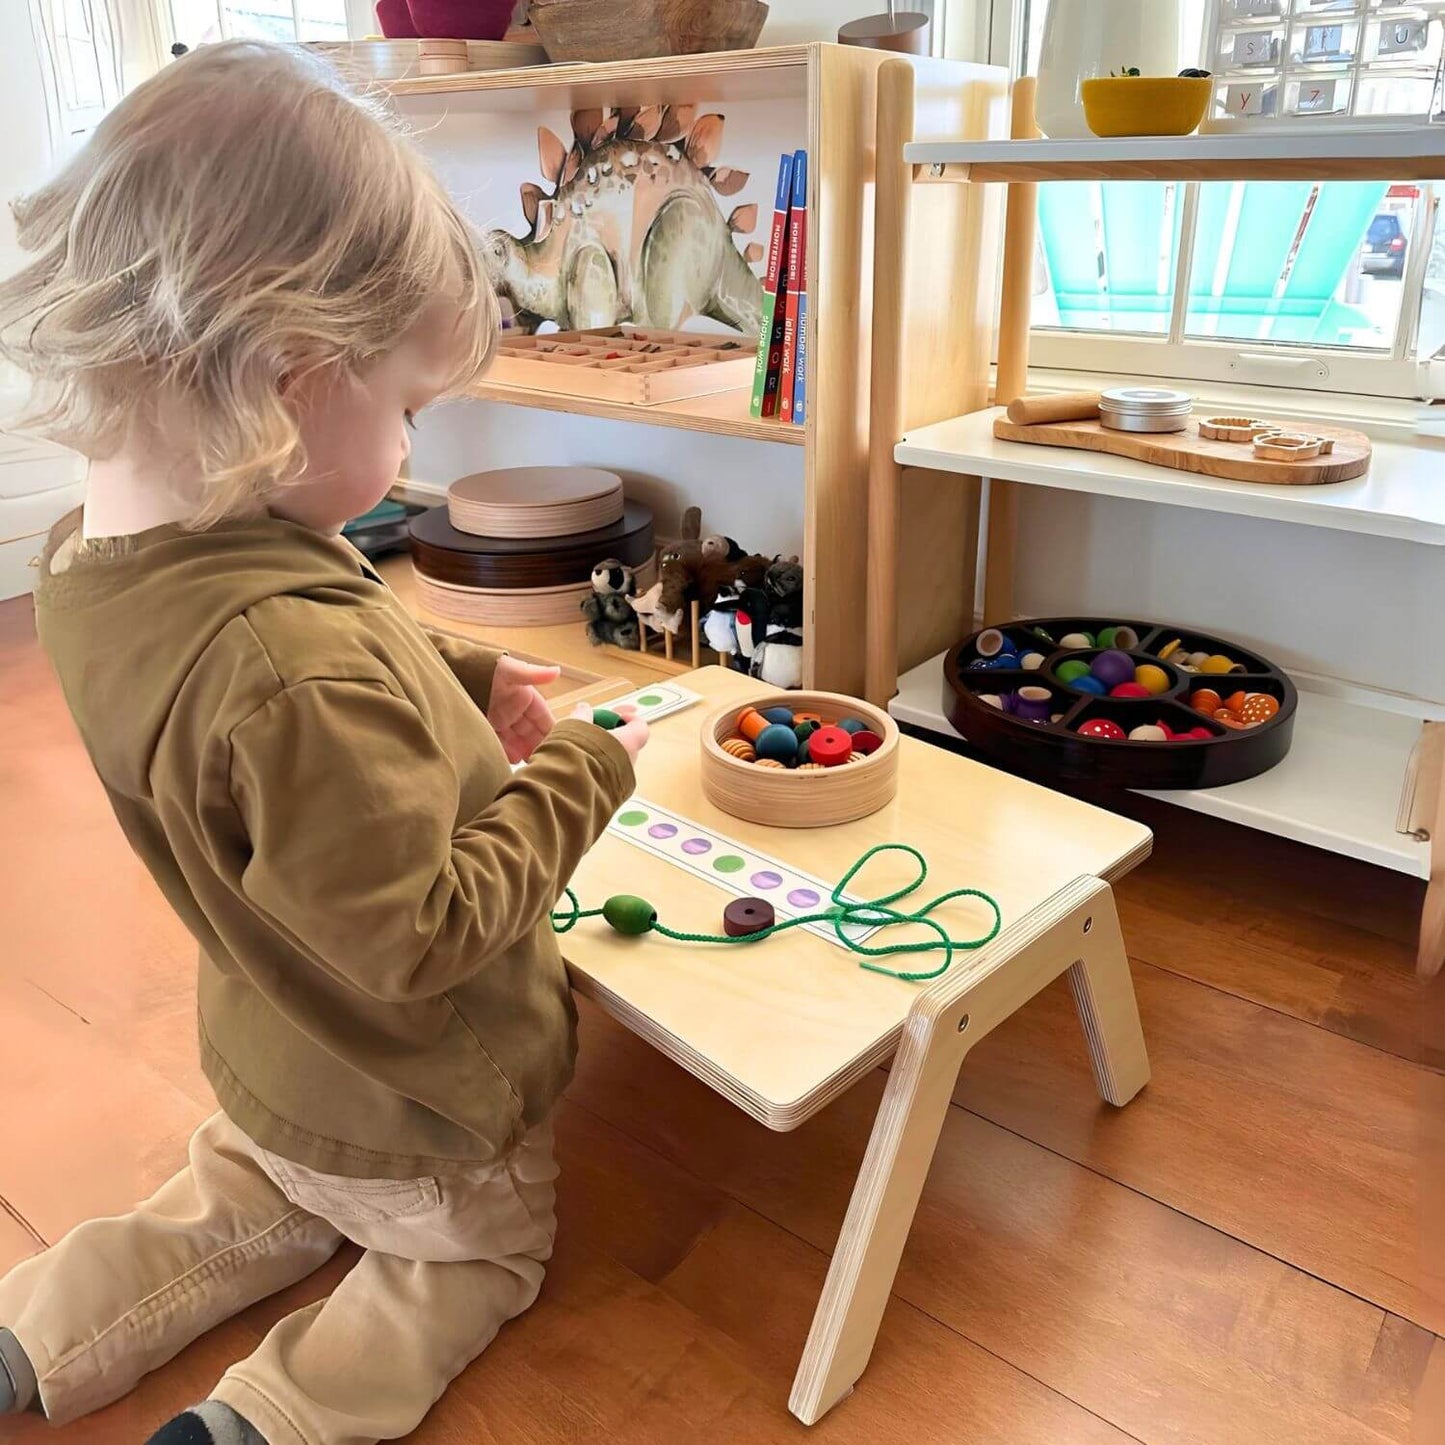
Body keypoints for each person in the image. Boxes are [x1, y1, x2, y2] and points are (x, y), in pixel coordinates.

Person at [0, 40, 647, 1445]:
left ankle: (34, 1330)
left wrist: (452, 678)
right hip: (420, 1104)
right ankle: (266, 1422)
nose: (411, 458)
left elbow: (294, 679)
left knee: (232, 1197)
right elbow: (420, 930)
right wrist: (583, 775)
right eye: (408, 410)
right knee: (463, 1259)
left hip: (272, 1062)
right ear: (292, 380)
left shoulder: (94, 563)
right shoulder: (283, 673)